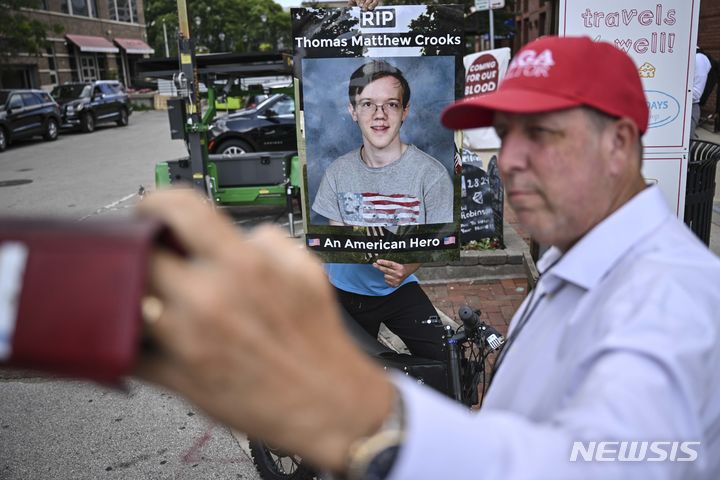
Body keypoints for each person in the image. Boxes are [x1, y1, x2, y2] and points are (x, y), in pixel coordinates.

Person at [137, 36, 720, 479]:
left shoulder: (668, 300)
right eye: (504, 134)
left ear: (618, 144)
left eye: (540, 135)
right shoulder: (584, 263)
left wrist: (357, 410)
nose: (510, 162)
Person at [312, 59, 453, 226]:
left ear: (404, 111)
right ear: (353, 111)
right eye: (368, 104)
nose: (380, 114)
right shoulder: (336, 175)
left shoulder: (433, 176)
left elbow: (439, 248)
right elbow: (340, 248)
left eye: (391, 104)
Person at [691, 49, 712, 139]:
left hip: (689, 107)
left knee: (683, 149)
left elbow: (696, 93)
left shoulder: (698, 57)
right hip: (674, 105)